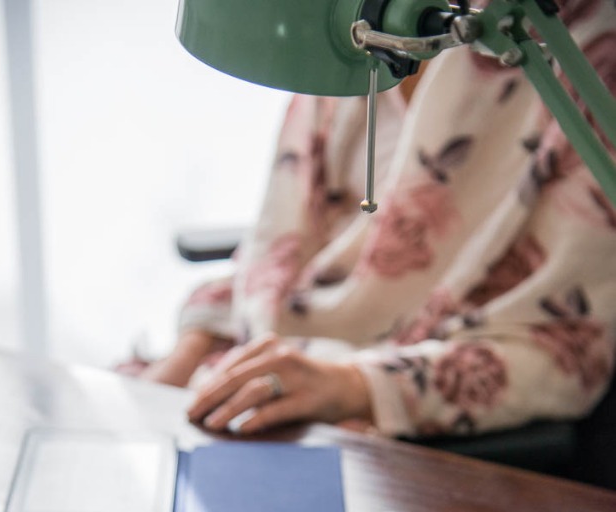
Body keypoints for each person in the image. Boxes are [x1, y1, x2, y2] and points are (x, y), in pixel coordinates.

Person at [120, 0, 616, 440]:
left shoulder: (582, 62)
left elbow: (564, 353)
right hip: (253, 371)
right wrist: (183, 361)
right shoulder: (345, 29)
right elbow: (274, 253)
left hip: (387, 414)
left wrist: (351, 386)